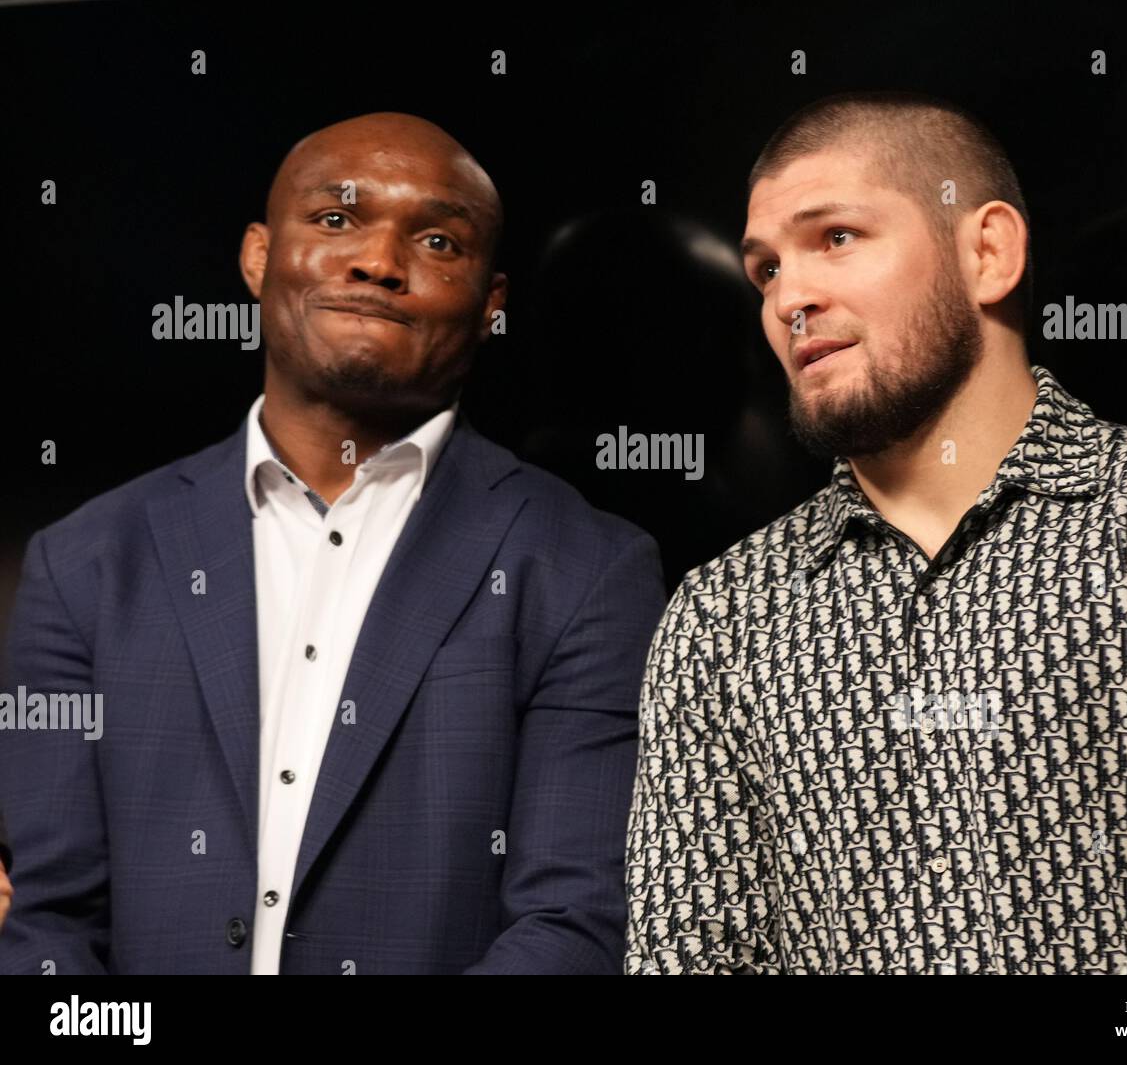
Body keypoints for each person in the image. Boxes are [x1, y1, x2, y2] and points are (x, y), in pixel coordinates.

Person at [624, 90, 1127, 974]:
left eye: (835, 238)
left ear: (987, 251)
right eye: (766, 271)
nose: (792, 296)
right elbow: (688, 956)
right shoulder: (723, 616)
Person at [0, 112, 665, 974]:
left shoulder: (589, 570)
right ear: (256, 256)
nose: (379, 262)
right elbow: (52, 928)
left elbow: (572, 926)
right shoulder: (82, 564)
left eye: (436, 240)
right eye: (337, 220)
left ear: (490, 304)